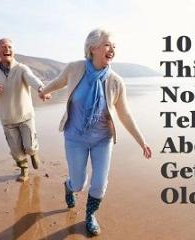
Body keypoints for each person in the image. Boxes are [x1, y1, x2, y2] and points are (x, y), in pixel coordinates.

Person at [39, 29, 152, 236]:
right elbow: (58, 82)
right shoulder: (75, 69)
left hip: (102, 139)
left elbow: (125, 114)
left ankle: (90, 216)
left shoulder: (116, 82)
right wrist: (44, 91)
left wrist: (141, 141)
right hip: (75, 138)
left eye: (114, 46)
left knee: (99, 183)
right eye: (107, 45)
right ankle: (68, 186)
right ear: (93, 48)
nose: (112, 50)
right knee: (78, 183)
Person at [0, 38, 50, 182]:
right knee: (16, 151)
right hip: (7, 120)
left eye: (9, 47)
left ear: (14, 50)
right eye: (3, 47)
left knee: (30, 146)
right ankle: (24, 170)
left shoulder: (21, 68)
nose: (6, 49)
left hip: (25, 116)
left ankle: (33, 153)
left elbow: (33, 79)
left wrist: (42, 89)